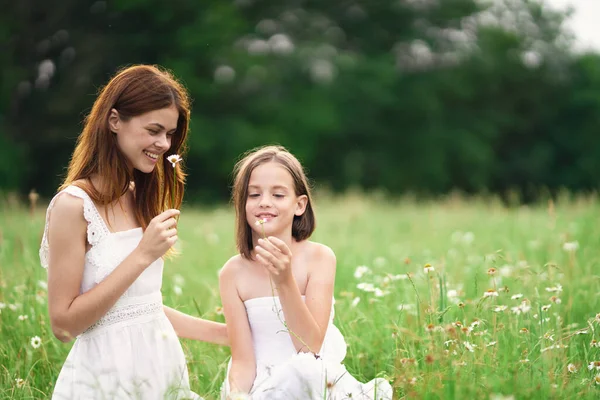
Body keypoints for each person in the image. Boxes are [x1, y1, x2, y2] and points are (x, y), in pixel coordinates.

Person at [39, 64, 228, 400]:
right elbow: (64, 326)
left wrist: (229, 335)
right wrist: (142, 255)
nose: (163, 144)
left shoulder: (140, 198)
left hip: (161, 370)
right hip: (105, 379)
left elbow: (142, 309)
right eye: (154, 130)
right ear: (115, 121)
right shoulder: (73, 206)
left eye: (169, 134)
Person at [219, 145, 393, 399]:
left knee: (302, 373)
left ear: (299, 204)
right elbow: (243, 361)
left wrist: (284, 280)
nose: (264, 202)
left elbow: (309, 346)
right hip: (264, 386)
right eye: (253, 195)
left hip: (313, 378)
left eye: (278, 195)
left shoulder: (319, 258)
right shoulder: (232, 273)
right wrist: (238, 395)